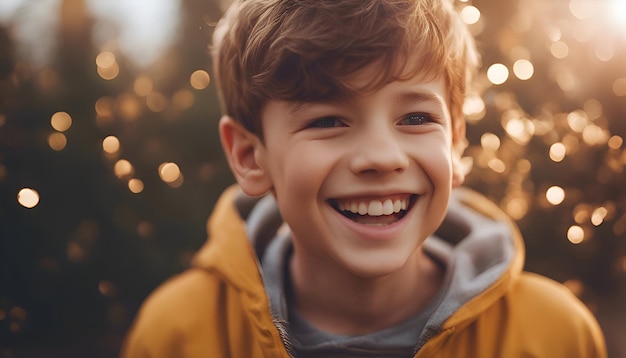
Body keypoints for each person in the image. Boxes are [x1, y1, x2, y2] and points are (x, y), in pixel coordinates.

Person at [121, 0, 607, 356]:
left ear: (456, 143)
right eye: (327, 120)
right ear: (250, 155)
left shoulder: (554, 335)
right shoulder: (176, 336)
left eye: (416, 118)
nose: (382, 157)